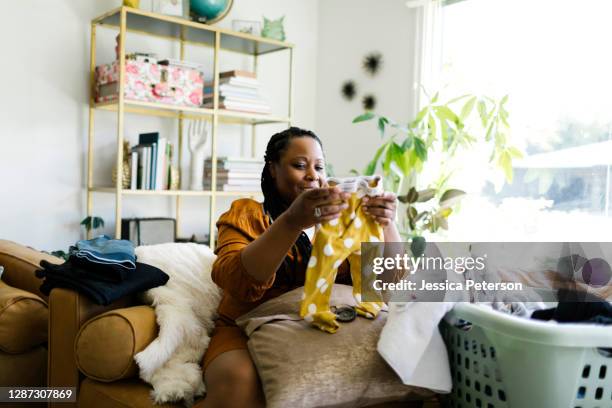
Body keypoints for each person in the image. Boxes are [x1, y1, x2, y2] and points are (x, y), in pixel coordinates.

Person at [195, 127, 400, 408]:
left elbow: (390, 284)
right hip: (244, 327)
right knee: (239, 380)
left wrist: (387, 224)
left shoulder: (345, 221)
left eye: (319, 167)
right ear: (273, 170)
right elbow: (235, 281)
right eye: (299, 165)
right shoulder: (247, 215)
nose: (313, 175)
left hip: (324, 325)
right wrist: (292, 221)